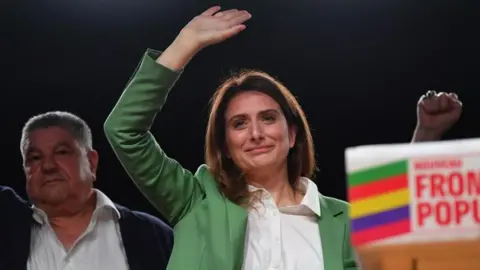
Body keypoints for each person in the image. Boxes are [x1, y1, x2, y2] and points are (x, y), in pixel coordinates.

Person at [104, 7, 462, 270]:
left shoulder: (344, 220)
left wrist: (427, 135)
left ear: (292, 134)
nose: (256, 133)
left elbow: (401, 247)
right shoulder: (196, 199)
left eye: (268, 118)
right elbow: (124, 131)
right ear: (225, 144)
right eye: (239, 124)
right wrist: (186, 44)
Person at [0, 111, 173, 270]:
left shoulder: (153, 235)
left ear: (91, 162)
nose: (48, 165)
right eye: (35, 157)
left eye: (62, 152)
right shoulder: (8, 233)